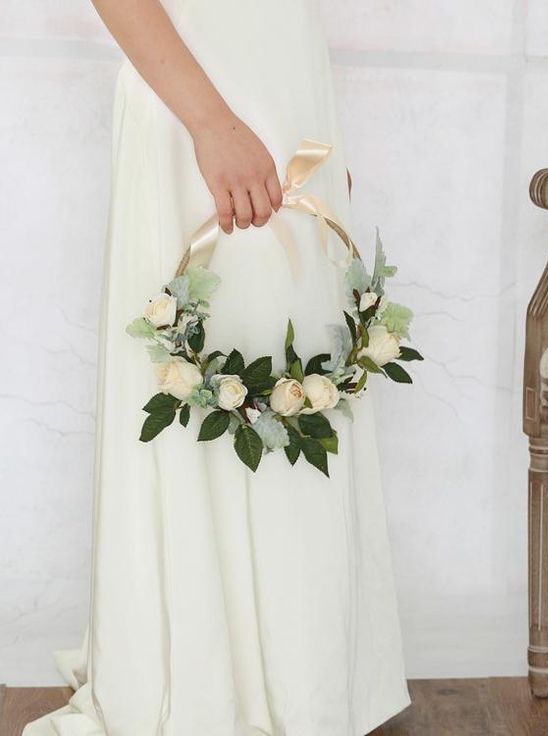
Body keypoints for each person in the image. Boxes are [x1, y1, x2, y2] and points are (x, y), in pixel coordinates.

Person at [22, 1, 412, 734]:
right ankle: (205, 689)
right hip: (199, 105)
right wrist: (211, 123)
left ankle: (303, 687)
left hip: (281, 99)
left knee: (294, 381)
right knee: (203, 384)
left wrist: (317, 124)